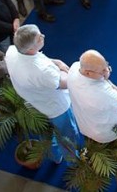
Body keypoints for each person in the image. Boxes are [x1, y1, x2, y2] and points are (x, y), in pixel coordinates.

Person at [67, 49, 117, 187]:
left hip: (87, 126)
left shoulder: (74, 69)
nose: (106, 71)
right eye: (102, 71)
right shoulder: (102, 94)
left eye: (106, 66)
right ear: (88, 73)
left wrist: (102, 74)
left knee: (98, 152)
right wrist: (107, 81)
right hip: (109, 132)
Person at [5, 25, 80, 163]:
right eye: (39, 37)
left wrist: (56, 62)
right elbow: (66, 82)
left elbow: (39, 58)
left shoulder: (11, 51)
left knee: (46, 136)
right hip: (57, 109)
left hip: (33, 106)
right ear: (30, 48)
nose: (43, 36)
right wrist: (67, 69)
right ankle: (72, 160)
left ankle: (55, 157)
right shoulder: (43, 72)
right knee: (67, 137)